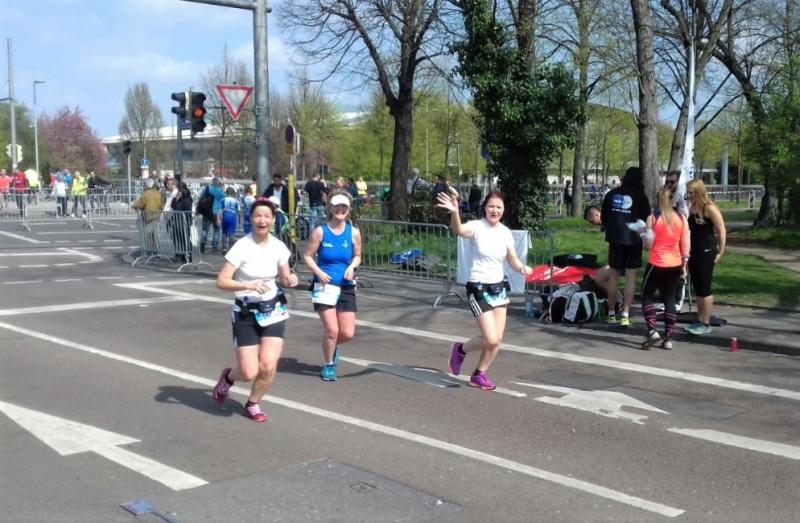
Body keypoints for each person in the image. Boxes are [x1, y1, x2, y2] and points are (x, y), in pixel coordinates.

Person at [212, 198, 300, 422]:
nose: (262, 220)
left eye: (267, 216)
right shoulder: (242, 246)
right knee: (248, 371)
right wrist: (248, 285)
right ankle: (228, 378)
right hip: (245, 312)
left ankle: (253, 403)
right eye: (258, 216)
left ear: (273, 220)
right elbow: (221, 281)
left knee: (268, 365)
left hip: (272, 310)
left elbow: (285, 276)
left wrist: (291, 279)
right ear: (251, 219)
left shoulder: (279, 246)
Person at [436, 190, 532, 390]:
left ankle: (479, 374)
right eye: (491, 206)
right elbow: (459, 230)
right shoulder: (477, 226)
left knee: (497, 340)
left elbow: (512, 259)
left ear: (503, 210)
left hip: (499, 289)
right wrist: (455, 212)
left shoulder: (505, 232)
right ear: (485, 208)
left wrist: (522, 268)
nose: (495, 210)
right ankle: (460, 350)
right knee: (491, 338)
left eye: (499, 207)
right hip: (478, 287)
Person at [303, 191, 362, 382]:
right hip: (324, 286)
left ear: (348, 210)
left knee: (347, 333)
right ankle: (328, 365)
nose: (340, 210)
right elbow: (307, 256)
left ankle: (331, 346)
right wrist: (318, 272)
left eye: (344, 207)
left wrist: (352, 267)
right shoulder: (320, 231)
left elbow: (357, 256)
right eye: (337, 206)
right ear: (330, 208)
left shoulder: (353, 232)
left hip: (345, 286)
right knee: (332, 331)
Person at [600, 166, 651, 326]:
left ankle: (611, 312)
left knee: (613, 275)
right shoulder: (640, 196)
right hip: (633, 240)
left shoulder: (611, 194)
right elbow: (646, 219)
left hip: (615, 239)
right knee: (630, 278)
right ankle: (625, 314)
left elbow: (604, 217)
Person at [640, 188, 690, 350]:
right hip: (675, 263)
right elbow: (685, 243)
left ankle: (652, 330)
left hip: (656, 262)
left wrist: (643, 237)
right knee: (669, 299)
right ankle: (668, 338)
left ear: (658, 201)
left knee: (647, 295)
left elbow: (648, 245)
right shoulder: (682, 218)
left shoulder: (653, 218)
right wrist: (684, 265)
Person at [686, 179, 726, 335]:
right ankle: (699, 318)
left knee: (705, 287)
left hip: (706, 251)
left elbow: (721, 230)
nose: (689, 195)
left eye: (691, 192)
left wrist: (721, 251)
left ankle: (706, 322)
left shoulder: (709, 208)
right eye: (688, 192)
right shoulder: (692, 208)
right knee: (697, 287)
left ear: (699, 192)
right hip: (694, 251)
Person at [199, 177, 225, 254]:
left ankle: (202, 245)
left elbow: (201, 196)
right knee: (217, 230)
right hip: (216, 212)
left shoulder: (207, 189)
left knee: (205, 229)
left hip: (207, 211)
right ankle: (214, 247)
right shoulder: (220, 192)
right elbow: (223, 198)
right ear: (219, 183)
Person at [170, 181, 194, 263]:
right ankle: (180, 255)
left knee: (185, 239)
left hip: (184, 222)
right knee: (178, 238)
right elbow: (173, 206)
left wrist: (187, 221)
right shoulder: (178, 197)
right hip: (177, 221)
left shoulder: (187, 198)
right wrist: (175, 198)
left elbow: (187, 210)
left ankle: (188, 256)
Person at [221, 187, 240, 252]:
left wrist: (218, 218)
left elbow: (220, 210)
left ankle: (224, 248)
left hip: (225, 217)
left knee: (224, 233)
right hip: (232, 217)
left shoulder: (223, 199)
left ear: (226, 193)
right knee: (231, 233)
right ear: (233, 193)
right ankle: (231, 248)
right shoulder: (236, 201)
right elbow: (238, 210)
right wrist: (239, 219)